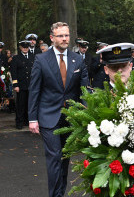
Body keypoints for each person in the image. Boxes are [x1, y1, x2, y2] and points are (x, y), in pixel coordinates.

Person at [28, 22, 89, 197]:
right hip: (48, 117)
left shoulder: (77, 59)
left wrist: (84, 114)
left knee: (64, 159)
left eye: (67, 35)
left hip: (70, 118)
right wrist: (32, 119)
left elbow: (84, 91)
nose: (64, 39)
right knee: (54, 158)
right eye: (60, 35)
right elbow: (35, 90)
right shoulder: (41, 59)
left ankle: (60, 193)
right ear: (52, 38)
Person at [10, 40, 34, 129]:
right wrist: (15, 85)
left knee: (29, 104)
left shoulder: (33, 57)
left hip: (31, 85)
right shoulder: (16, 58)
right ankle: (19, 122)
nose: (25, 49)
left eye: (27, 47)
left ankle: (27, 121)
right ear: (20, 48)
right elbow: (14, 72)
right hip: (21, 85)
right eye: (23, 47)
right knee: (20, 105)